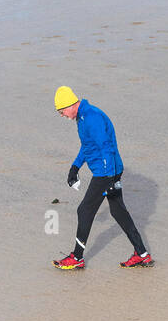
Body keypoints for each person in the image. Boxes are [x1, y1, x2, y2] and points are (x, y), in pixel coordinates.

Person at [52, 86, 153, 270]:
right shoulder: (82, 118)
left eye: (61, 111)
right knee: (118, 212)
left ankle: (77, 257)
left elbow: (106, 147)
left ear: (70, 104)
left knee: (84, 210)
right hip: (107, 171)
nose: (61, 115)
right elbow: (88, 146)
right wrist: (75, 167)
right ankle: (142, 254)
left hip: (106, 172)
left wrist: (111, 179)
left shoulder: (92, 117)